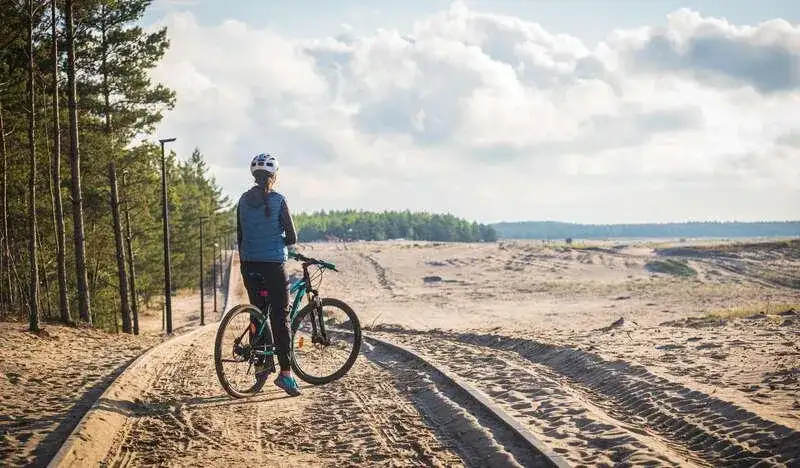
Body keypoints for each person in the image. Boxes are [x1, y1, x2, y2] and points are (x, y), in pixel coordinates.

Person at [236, 153, 301, 397]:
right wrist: (277, 242)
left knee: (258, 313)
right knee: (281, 317)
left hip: (249, 264)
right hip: (273, 265)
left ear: (254, 176)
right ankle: (285, 375)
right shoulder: (279, 200)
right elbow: (292, 237)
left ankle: (262, 365)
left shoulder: (242, 200)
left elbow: (240, 236)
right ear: (274, 176)